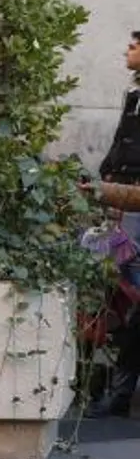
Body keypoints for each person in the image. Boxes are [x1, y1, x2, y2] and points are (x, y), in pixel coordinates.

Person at [89, 31, 140, 418]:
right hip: (123, 200)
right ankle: (114, 392)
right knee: (113, 285)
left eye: (135, 45)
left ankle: (120, 393)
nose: (127, 50)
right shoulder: (134, 95)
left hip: (135, 202)